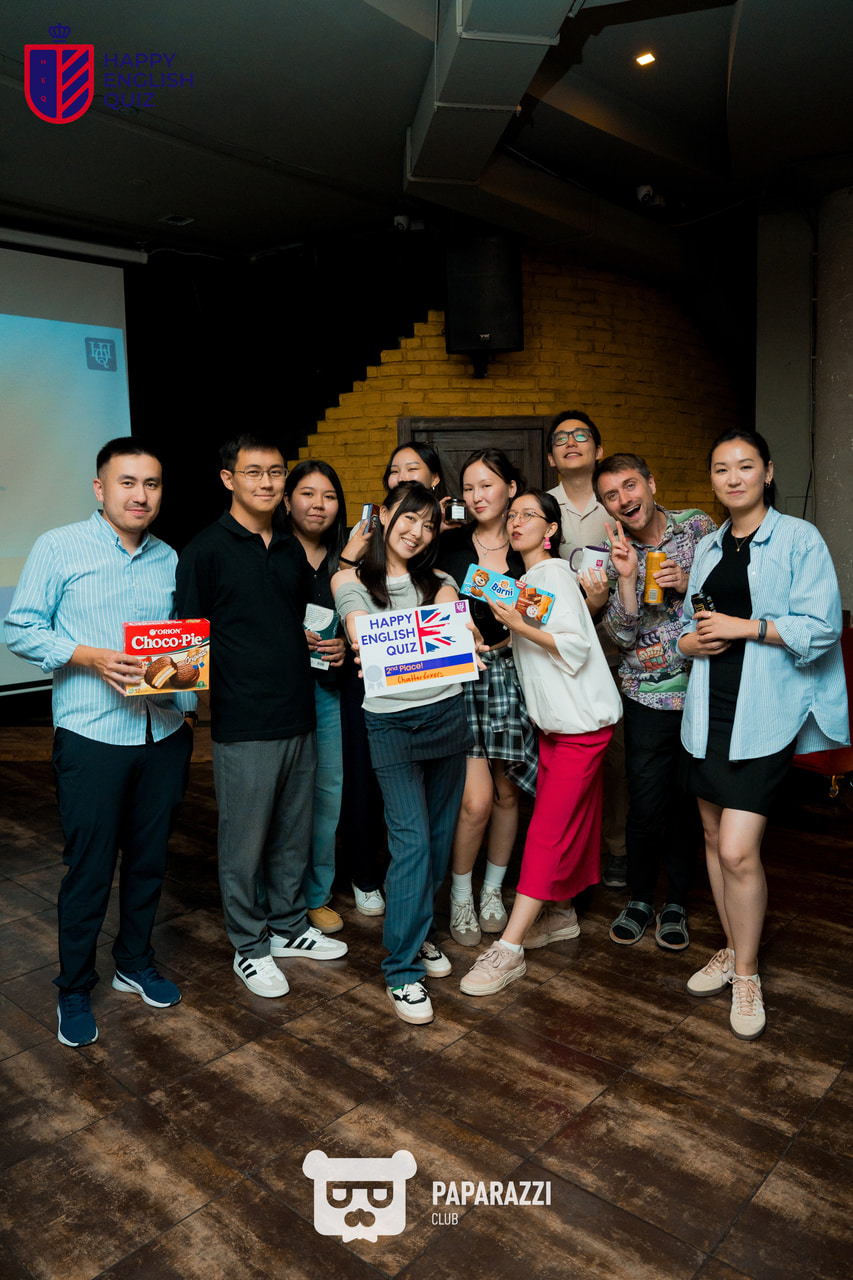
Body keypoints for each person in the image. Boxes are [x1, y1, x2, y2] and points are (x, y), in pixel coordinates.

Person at [4, 438, 194, 1047]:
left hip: (163, 733)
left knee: (148, 862)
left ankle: (133, 963)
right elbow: (19, 627)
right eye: (127, 482)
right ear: (100, 488)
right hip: (92, 734)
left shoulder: (170, 557)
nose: (141, 495)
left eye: (152, 484)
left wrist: (186, 691)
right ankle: (74, 988)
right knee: (88, 869)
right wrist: (89, 656)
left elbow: (180, 643)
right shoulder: (59, 545)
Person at [678, 429, 847, 1040]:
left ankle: (746, 974)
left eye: (745, 466)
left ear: (768, 472)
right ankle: (731, 949)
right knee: (710, 835)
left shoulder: (800, 539)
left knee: (736, 849)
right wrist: (689, 643)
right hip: (709, 709)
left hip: (766, 712)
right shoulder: (708, 546)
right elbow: (690, 624)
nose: (733, 478)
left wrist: (745, 627)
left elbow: (822, 627)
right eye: (721, 468)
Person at [175, 434, 347, 1001]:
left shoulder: (291, 549)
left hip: (299, 711)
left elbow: (288, 622)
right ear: (229, 479)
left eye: (275, 472)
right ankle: (249, 947)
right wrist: (206, 708)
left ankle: (289, 927)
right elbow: (187, 644)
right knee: (245, 844)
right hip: (243, 721)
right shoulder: (204, 550)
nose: (268, 482)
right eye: (254, 472)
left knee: (292, 835)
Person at [459, 489, 622, 996]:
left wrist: (512, 622)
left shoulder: (552, 574)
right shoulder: (528, 582)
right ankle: (562, 914)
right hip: (556, 729)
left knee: (547, 834)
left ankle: (508, 950)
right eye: (512, 516)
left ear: (550, 529)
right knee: (572, 826)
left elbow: (574, 643)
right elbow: (533, 640)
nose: (516, 522)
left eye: (528, 515)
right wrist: (493, 640)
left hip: (580, 730)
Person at [332, 481, 473, 1025]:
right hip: (390, 724)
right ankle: (401, 971)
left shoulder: (440, 581)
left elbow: (451, 618)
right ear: (384, 515)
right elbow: (357, 624)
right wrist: (370, 639)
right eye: (408, 518)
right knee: (411, 841)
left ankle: (419, 931)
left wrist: (458, 632)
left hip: (447, 715)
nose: (417, 532)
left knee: (437, 838)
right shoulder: (350, 579)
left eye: (429, 524)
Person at [595, 453, 716, 953]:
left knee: (688, 805)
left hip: (703, 690)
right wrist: (626, 577)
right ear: (607, 507)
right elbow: (621, 637)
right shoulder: (610, 555)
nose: (624, 499)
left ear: (650, 482)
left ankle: (676, 903)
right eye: (612, 495)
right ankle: (641, 898)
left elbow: (730, 597)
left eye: (630, 486)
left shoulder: (698, 528)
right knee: (644, 806)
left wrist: (690, 585)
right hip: (645, 696)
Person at [436, 449, 538, 946]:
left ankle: (493, 891)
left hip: (514, 678)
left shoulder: (527, 551)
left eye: (487, 485)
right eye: (469, 487)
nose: (477, 496)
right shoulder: (450, 548)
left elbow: (547, 617)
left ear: (511, 489)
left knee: (506, 792)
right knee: (474, 801)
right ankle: (461, 895)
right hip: (462, 679)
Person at [546, 409, 629, 890]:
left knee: (615, 759)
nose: (571, 442)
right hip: (556, 655)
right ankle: (568, 856)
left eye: (581, 436)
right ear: (551, 457)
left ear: (599, 450)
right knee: (564, 759)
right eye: (561, 438)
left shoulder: (618, 502)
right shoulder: (541, 507)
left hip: (614, 651)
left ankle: (616, 848)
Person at [282, 460, 348, 934]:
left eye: (328, 496)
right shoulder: (271, 551)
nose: (318, 505)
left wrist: (346, 643)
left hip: (328, 690)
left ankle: (316, 894)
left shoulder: (347, 558)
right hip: (280, 693)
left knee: (328, 794)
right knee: (284, 796)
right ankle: (278, 895)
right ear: (287, 501)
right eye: (307, 493)